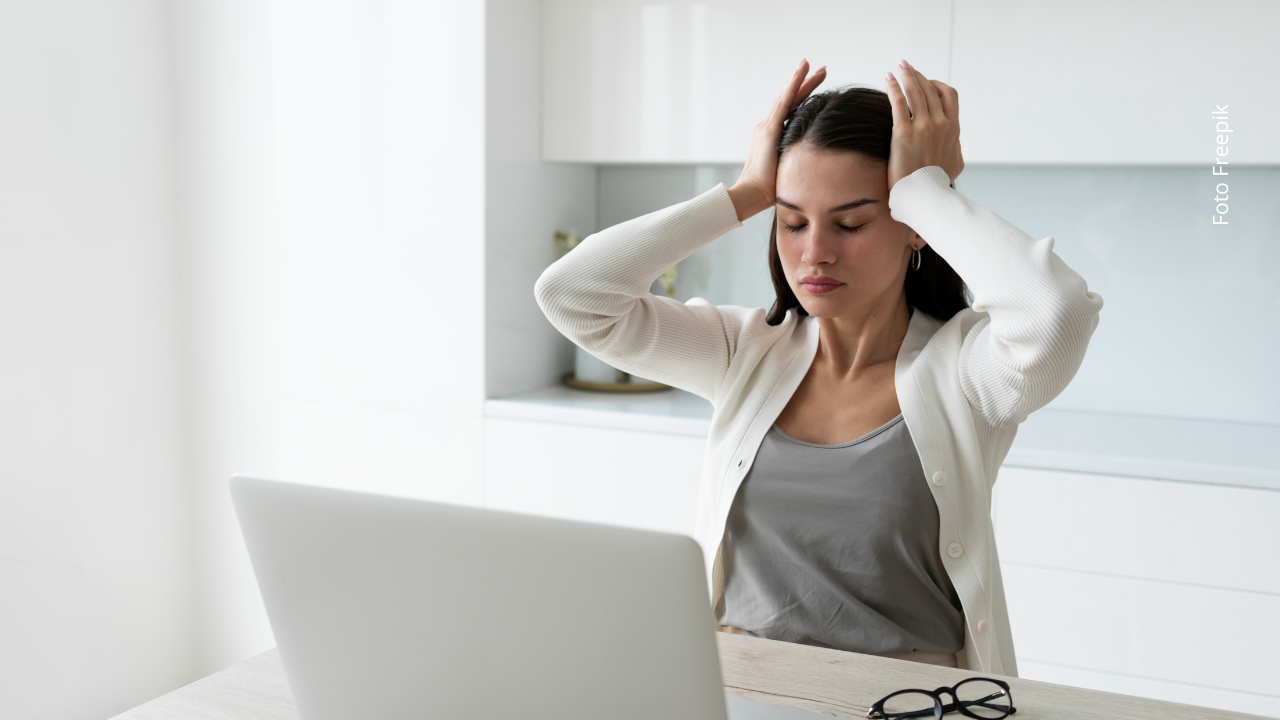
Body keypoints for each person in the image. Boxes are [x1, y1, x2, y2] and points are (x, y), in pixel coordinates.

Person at [534, 58, 1103, 674]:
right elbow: (572, 295)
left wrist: (925, 193)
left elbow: (1057, 313)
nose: (815, 253)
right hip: (737, 692)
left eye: (851, 222)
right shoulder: (745, 352)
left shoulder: (965, 372)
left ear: (914, 229)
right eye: (792, 220)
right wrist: (746, 193)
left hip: (905, 703)